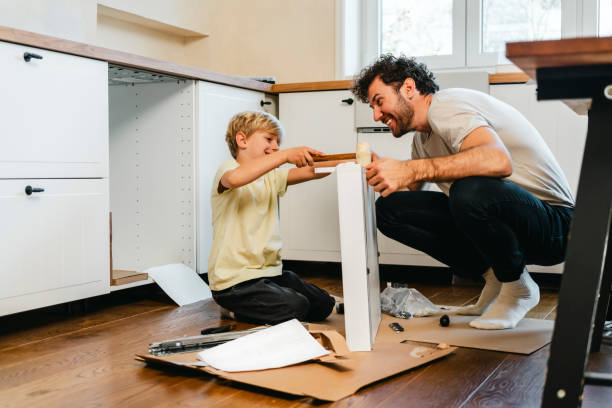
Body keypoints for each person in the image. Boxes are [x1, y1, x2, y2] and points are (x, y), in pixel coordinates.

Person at [351, 55, 575, 330]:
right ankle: (496, 277)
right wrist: (385, 169)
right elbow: (411, 195)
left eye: (378, 101)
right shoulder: (423, 138)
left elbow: (497, 161)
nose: (376, 115)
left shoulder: (446, 105)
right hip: (513, 224)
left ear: (409, 88)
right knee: (390, 210)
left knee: (467, 190)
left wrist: (411, 170)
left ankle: (519, 288)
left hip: (557, 227)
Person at [207, 110, 336, 325]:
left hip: (269, 273)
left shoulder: (271, 177)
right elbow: (236, 179)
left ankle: (265, 302)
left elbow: (314, 171)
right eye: (269, 139)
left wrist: (354, 161)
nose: (276, 146)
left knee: (324, 305)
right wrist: (285, 155)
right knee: (297, 307)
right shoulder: (228, 169)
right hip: (234, 282)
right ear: (242, 140)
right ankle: (231, 309)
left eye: (278, 142)